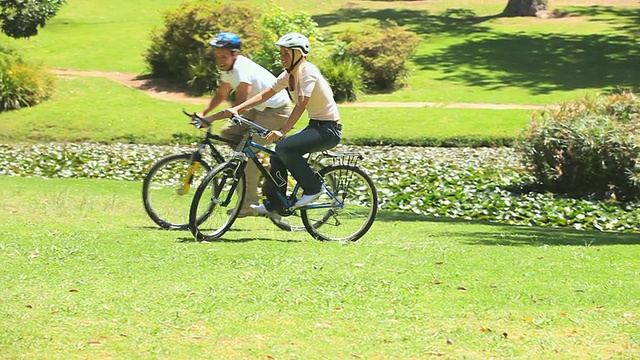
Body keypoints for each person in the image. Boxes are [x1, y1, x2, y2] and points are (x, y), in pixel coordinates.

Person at [206, 32, 342, 217]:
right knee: (277, 155)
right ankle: (275, 204)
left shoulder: (307, 71)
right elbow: (265, 94)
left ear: (298, 54)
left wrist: (282, 131)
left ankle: (314, 188)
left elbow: (302, 103)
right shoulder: (289, 74)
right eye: (281, 53)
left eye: (286, 53)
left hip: (329, 130)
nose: (282, 57)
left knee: (284, 146)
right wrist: (238, 108)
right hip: (316, 125)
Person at [201, 32, 291, 217]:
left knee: (245, 155)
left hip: (276, 110)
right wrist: (203, 113)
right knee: (228, 133)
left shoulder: (242, 70)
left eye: (224, 56)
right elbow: (221, 95)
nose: (220, 60)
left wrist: (211, 119)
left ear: (235, 54)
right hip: (258, 109)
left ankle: (249, 203)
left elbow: (239, 107)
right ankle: (260, 163)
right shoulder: (227, 69)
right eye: (217, 56)